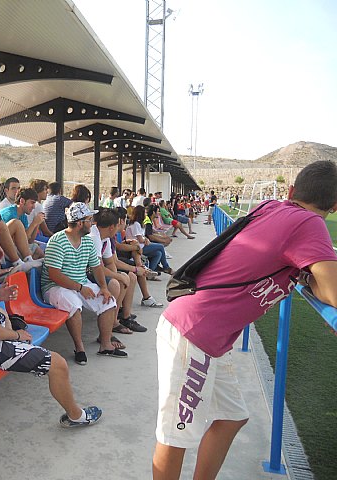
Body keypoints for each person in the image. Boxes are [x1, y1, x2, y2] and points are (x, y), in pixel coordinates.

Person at [152, 160, 337, 480]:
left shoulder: (272, 207)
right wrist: (310, 278)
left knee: (232, 416)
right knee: (176, 433)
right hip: (194, 332)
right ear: (334, 207)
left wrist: (308, 278)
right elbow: (333, 292)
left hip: (208, 336)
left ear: (291, 190)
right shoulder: (308, 224)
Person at [0, 201, 103, 427]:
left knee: (3, 312)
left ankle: (20, 338)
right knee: (58, 364)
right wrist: (17, 337)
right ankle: (76, 416)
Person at [42, 202, 125, 365]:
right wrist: (80, 288)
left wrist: (103, 287)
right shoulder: (57, 241)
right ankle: (80, 349)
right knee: (74, 305)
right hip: (55, 287)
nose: (92, 223)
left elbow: (97, 266)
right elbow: (54, 275)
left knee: (108, 302)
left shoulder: (86, 241)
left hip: (80, 284)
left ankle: (105, 345)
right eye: (89, 220)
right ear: (80, 223)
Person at [0, 187, 45, 260]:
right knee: (37, 250)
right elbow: (20, 242)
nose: (33, 207)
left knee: (38, 250)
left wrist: (37, 224)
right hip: (2, 248)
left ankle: (30, 268)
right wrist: (33, 223)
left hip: (12, 247)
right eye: (32, 203)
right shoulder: (10, 214)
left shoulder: (23, 216)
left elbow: (30, 240)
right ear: (22, 201)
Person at [126, 206, 172, 275]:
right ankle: (166, 267)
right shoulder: (135, 224)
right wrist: (145, 240)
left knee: (158, 253)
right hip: (138, 247)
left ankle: (151, 270)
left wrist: (145, 239)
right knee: (160, 246)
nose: (146, 214)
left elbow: (142, 237)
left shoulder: (140, 224)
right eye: (144, 213)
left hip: (143, 245)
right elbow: (140, 239)